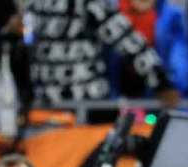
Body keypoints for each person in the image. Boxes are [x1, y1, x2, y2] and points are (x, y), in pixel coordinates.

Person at [24, 0, 178, 109]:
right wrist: (161, 82)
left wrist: (160, 80)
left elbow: (125, 37)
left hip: (58, 103)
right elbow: (126, 38)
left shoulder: (33, 4)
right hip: (78, 105)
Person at [118, 0, 188, 97]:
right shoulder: (106, 14)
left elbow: (181, 69)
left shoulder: (173, 16)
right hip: (115, 97)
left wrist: (170, 88)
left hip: (156, 97)